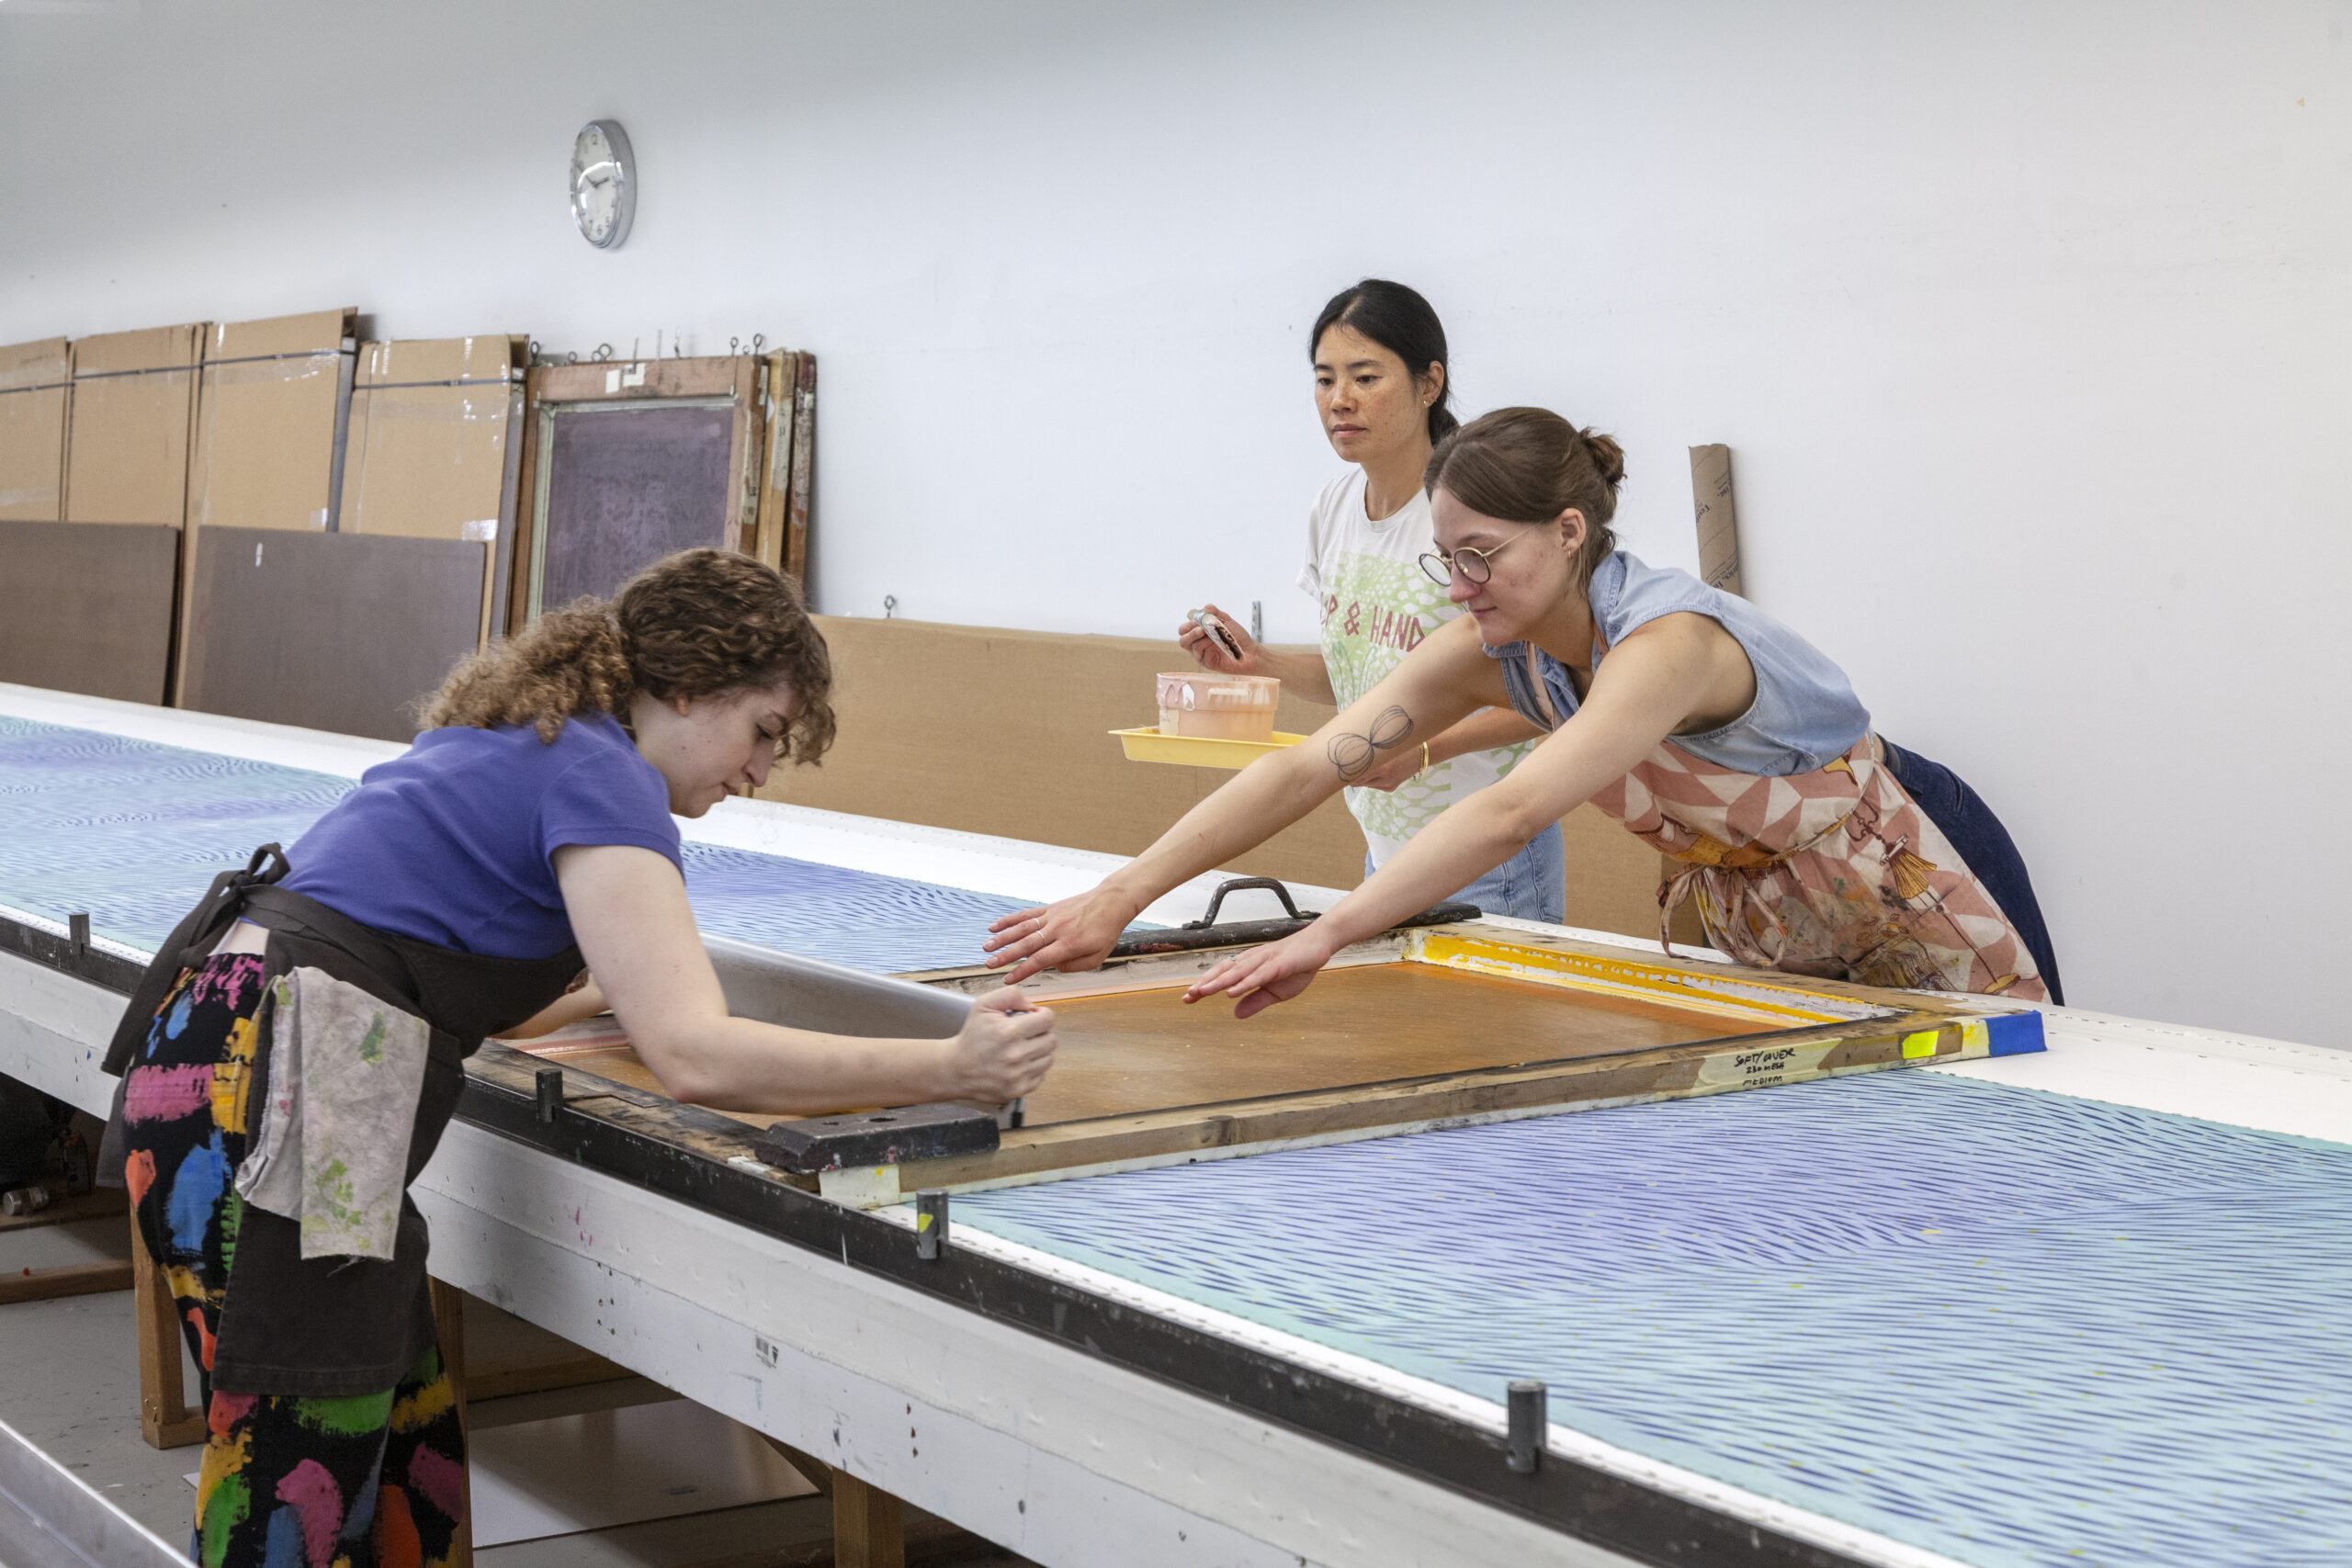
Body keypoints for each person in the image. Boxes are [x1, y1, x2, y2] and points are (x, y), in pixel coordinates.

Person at [96, 549, 1055, 1568]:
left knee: (400, 1443)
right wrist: (957, 1067)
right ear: (688, 687)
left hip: (225, 1068)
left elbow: (466, 991)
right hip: (290, 1094)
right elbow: (696, 1058)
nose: (761, 770)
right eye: (761, 731)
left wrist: (630, 987)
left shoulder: (530, 741)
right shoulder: (603, 776)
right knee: (299, 1472)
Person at [989, 408, 2063, 1018]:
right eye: (1443, 558)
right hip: (1773, 917)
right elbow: (1307, 764)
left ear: (1563, 532)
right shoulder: (1499, 646)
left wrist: (1330, 933)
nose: (1459, 586)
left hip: (1905, 877)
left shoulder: (1669, 647)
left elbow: (1509, 816)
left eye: (1481, 557)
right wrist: (1116, 896)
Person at [1177, 279, 1564, 922]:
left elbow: (1552, 691)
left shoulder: (1478, 511)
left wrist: (1425, 751)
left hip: (1486, 855)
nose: (1340, 400)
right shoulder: (1333, 508)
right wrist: (1262, 663)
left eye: (1365, 376)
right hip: (1386, 855)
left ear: (1428, 382)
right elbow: (1362, 678)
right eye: (1324, 380)